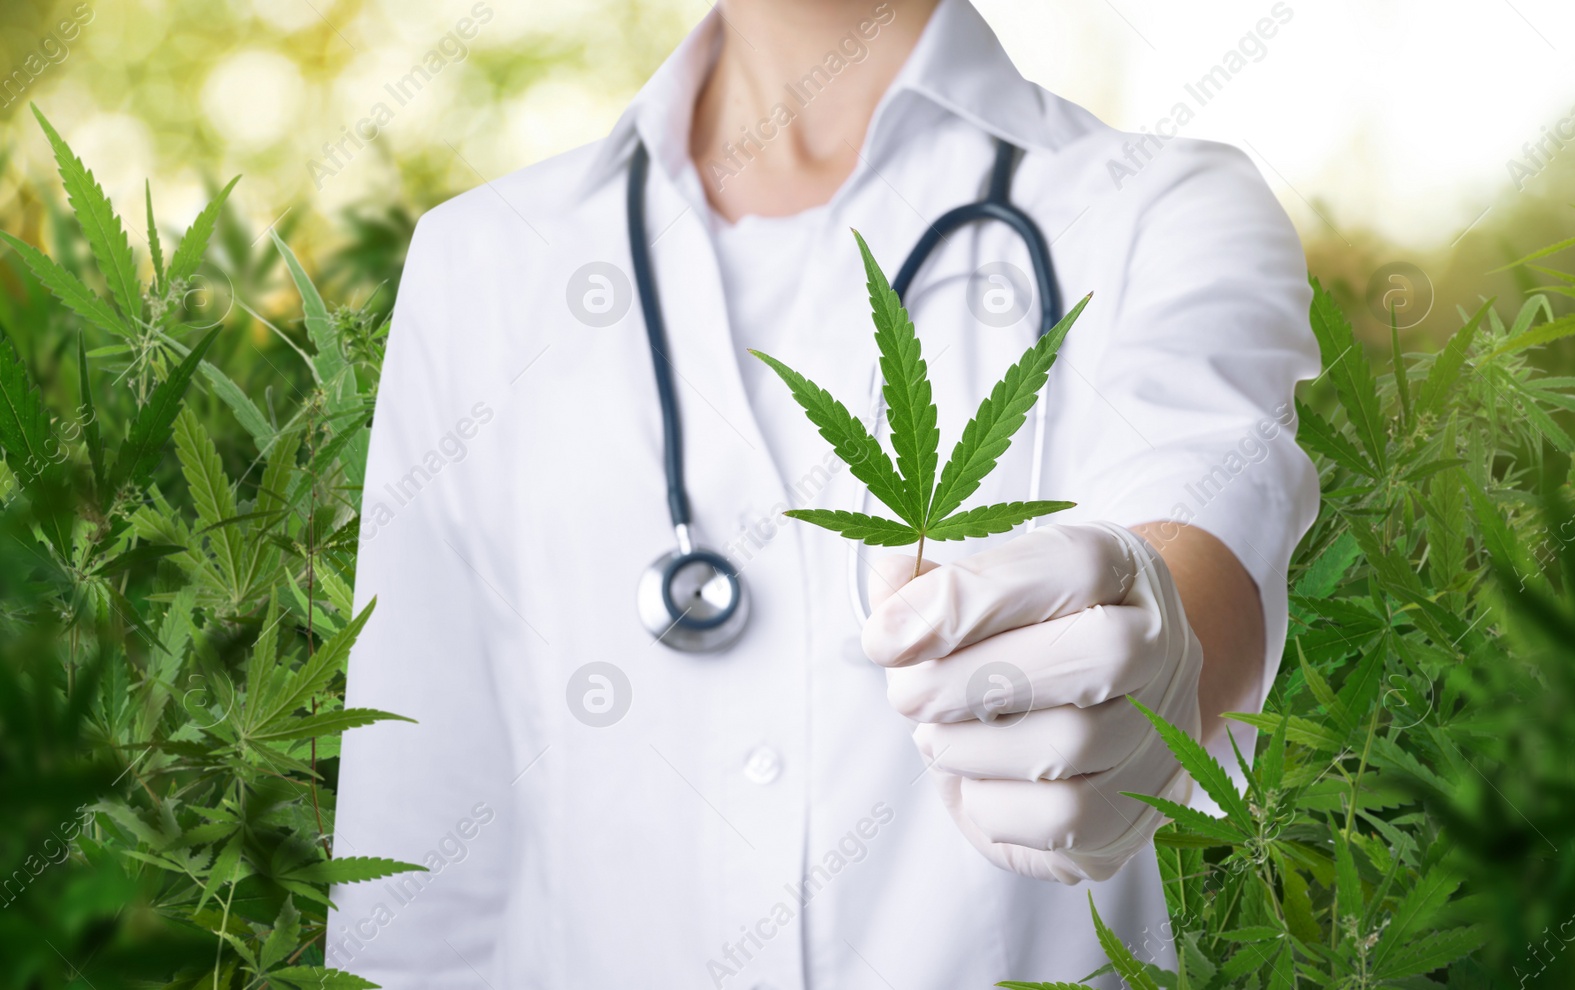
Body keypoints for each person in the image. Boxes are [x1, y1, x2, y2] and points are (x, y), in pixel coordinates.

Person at [328, 0, 1320, 986]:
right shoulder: (484, 263)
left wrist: (1160, 669)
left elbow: (1211, 506)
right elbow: (419, 879)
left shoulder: (1163, 208)